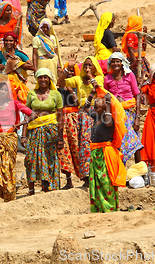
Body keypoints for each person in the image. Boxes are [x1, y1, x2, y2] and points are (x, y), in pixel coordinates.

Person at [58, 55, 105, 186]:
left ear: (95, 67)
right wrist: (68, 68)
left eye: (90, 65)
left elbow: (97, 88)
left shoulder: (99, 78)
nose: (87, 68)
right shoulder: (78, 80)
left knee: (94, 146)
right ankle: (87, 178)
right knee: (83, 147)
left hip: (96, 115)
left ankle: (97, 177)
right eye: (85, 65)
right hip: (82, 116)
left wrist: (90, 76)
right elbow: (60, 83)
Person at [0, 77, 34, 201]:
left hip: (9, 140)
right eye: (0, 90)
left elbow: (32, 114)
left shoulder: (15, 104)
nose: (3, 92)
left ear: (9, 92)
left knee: (8, 166)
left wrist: (20, 124)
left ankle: (9, 194)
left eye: (5, 90)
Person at [23, 68, 64, 194]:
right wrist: (23, 135)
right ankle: (31, 188)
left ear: (49, 79)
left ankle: (50, 188)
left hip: (50, 130)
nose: (43, 80)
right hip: (34, 130)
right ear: (37, 79)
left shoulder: (55, 94)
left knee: (50, 158)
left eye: (45, 77)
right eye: (40, 77)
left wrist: (60, 138)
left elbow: (60, 116)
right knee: (30, 159)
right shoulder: (31, 94)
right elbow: (26, 115)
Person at [85, 93, 127, 213]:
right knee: (97, 182)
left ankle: (109, 208)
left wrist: (108, 104)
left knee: (106, 182)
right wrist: (91, 94)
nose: (94, 109)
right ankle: (99, 208)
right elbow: (85, 108)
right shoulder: (97, 116)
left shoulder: (108, 118)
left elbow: (108, 122)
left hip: (105, 153)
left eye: (96, 107)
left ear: (103, 108)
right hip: (96, 152)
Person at [104, 53, 143, 164]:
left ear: (122, 63)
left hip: (130, 113)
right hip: (115, 115)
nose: (115, 64)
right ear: (110, 64)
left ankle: (139, 171)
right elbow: (106, 97)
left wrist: (138, 117)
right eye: (113, 61)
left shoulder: (129, 75)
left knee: (135, 141)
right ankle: (121, 172)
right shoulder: (107, 78)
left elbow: (137, 95)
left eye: (118, 61)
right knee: (119, 142)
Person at [0, 32, 34, 104]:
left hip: (18, 82)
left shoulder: (19, 54)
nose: (8, 43)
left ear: (15, 42)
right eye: (6, 40)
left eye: (11, 41)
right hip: (6, 84)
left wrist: (15, 63)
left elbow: (31, 66)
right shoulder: (0, 54)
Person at [120, 15, 151, 81]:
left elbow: (144, 48)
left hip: (141, 58)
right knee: (137, 78)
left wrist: (144, 35)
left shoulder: (138, 34)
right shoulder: (130, 34)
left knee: (145, 77)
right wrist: (136, 63)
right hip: (134, 59)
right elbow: (130, 51)